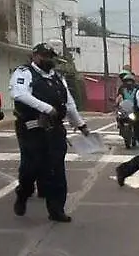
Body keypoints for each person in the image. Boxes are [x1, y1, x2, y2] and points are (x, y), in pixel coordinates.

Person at [9, 42, 89, 222]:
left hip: (55, 129)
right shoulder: (24, 72)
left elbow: (69, 104)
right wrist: (46, 108)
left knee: (56, 169)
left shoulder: (57, 78)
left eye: (49, 56)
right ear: (35, 56)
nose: (47, 59)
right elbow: (20, 95)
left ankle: (56, 209)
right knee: (31, 168)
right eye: (43, 56)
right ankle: (23, 194)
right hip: (31, 128)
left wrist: (81, 125)